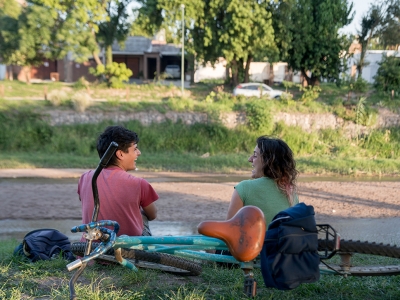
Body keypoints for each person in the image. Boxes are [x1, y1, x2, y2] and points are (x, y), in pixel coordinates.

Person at [78, 125, 158, 237]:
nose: (139, 152)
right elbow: (152, 215)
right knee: (141, 215)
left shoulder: (85, 178)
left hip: (91, 248)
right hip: (130, 251)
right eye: (135, 149)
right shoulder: (139, 183)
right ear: (120, 154)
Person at [226, 136, 299, 226]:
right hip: (285, 240)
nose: (250, 159)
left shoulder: (244, 188)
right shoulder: (290, 191)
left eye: (255, 155)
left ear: (268, 161)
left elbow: (229, 229)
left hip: (256, 240)